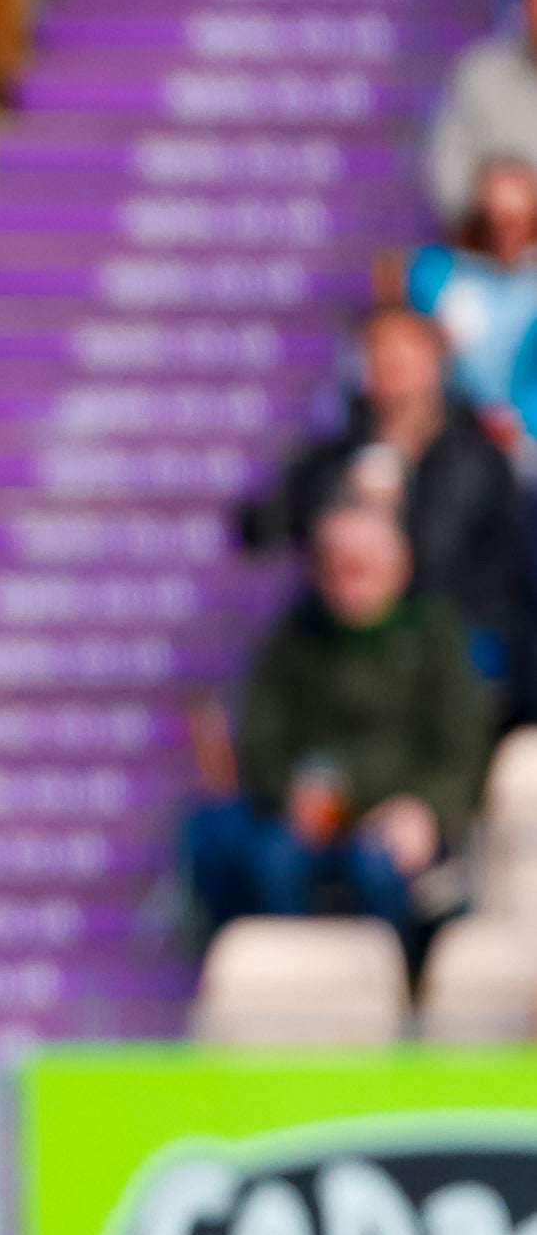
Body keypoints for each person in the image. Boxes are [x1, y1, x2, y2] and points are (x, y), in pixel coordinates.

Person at [187, 502, 494, 950]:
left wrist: (426, 809)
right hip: (304, 820)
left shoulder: (434, 636)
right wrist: (289, 793)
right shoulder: (295, 636)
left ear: (398, 567)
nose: (347, 577)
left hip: (397, 815)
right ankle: (289, 994)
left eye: (362, 565)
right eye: (335, 564)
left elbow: (462, 748)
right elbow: (260, 737)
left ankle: (392, 999)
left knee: (380, 865)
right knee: (267, 856)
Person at [249, 304, 533, 702]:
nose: (388, 365)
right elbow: (259, 527)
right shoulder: (337, 454)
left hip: (452, 664)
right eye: (376, 352)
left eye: (403, 353)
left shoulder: (477, 457)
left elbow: (443, 561)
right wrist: (340, 493)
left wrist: (396, 483)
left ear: (436, 364)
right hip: (346, 661)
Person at [405, 155, 537, 443]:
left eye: (515, 220)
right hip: (453, 437)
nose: (503, 232)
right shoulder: (437, 276)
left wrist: (520, 422)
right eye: (494, 218)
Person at [424, 0, 537, 229]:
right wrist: (493, 200)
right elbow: (446, 182)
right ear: (522, 4)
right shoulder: (479, 74)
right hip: (490, 260)